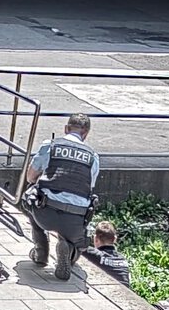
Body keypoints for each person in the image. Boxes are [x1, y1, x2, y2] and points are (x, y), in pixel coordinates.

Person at [23, 113, 99, 281]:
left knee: (30, 194)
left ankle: (41, 250)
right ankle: (69, 250)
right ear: (86, 134)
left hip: (45, 213)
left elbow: (30, 176)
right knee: (79, 237)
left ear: (66, 129)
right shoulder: (93, 157)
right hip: (75, 220)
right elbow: (89, 188)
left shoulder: (50, 146)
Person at [84, 221, 130, 287]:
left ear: (95, 239)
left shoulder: (94, 254)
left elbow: (78, 247)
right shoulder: (122, 258)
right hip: (128, 294)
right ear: (115, 239)